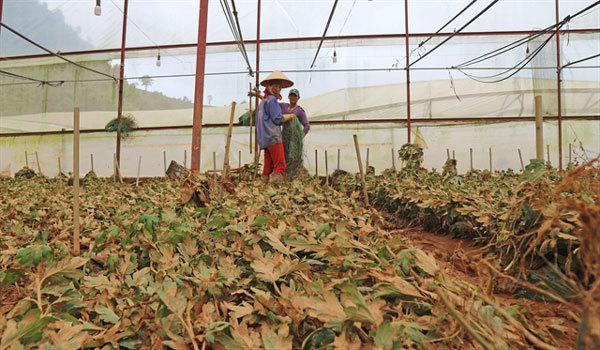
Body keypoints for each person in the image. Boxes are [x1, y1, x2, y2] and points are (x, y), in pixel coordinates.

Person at [255, 70, 296, 183]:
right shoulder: (272, 101)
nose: (278, 88)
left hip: (264, 138)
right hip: (273, 136)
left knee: (268, 167)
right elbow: (277, 119)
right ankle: (276, 189)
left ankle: (263, 186)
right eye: (275, 86)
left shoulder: (263, 102)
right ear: (269, 87)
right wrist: (290, 116)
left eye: (279, 86)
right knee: (280, 164)